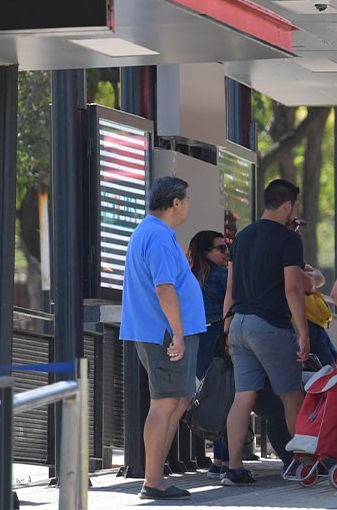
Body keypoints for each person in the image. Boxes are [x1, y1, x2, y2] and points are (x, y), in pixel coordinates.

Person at [120, 176, 207, 500]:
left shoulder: (151, 232)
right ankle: (154, 480)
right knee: (166, 402)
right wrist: (179, 334)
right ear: (175, 203)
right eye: (187, 200)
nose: (188, 206)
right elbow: (164, 288)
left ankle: (158, 477)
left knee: (177, 399)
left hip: (161, 331)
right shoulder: (156, 237)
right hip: (165, 333)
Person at [220, 179, 308, 486]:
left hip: (239, 323)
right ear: (287, 206)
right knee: (292, 396)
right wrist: (303, 332)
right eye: (293, 207)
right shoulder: (289, 240)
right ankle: (302, 464)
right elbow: (293, 289)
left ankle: (233, 468)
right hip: (269, 325)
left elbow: (231, 287)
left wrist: (226, 327)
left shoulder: (241, 237)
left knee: (243, 396)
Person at [186, 230, 231, 478]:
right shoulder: (219, 276)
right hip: (216, 337)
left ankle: (218, 459)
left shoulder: (190, 277)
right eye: (221, 248)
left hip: (197, 341)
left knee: (213, 396)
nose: (227, 252)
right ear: (206, 252)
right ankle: (225, 461)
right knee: (225, 396)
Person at [302, 265, 337, 366]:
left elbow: (319, 278)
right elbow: (307, 283)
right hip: (303, 322)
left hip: (316, 323)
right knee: (328, 368)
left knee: (335, 364)